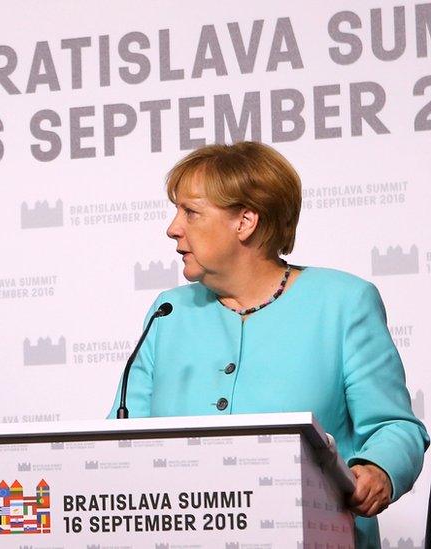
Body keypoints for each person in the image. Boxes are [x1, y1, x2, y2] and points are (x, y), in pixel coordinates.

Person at [109, 142, 427, 545]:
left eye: (190, 212)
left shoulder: (343, 302)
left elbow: (394, 425)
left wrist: (379, 468)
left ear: (245, 222)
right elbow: (122, 435)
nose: (172, 228)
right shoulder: (169, 311)